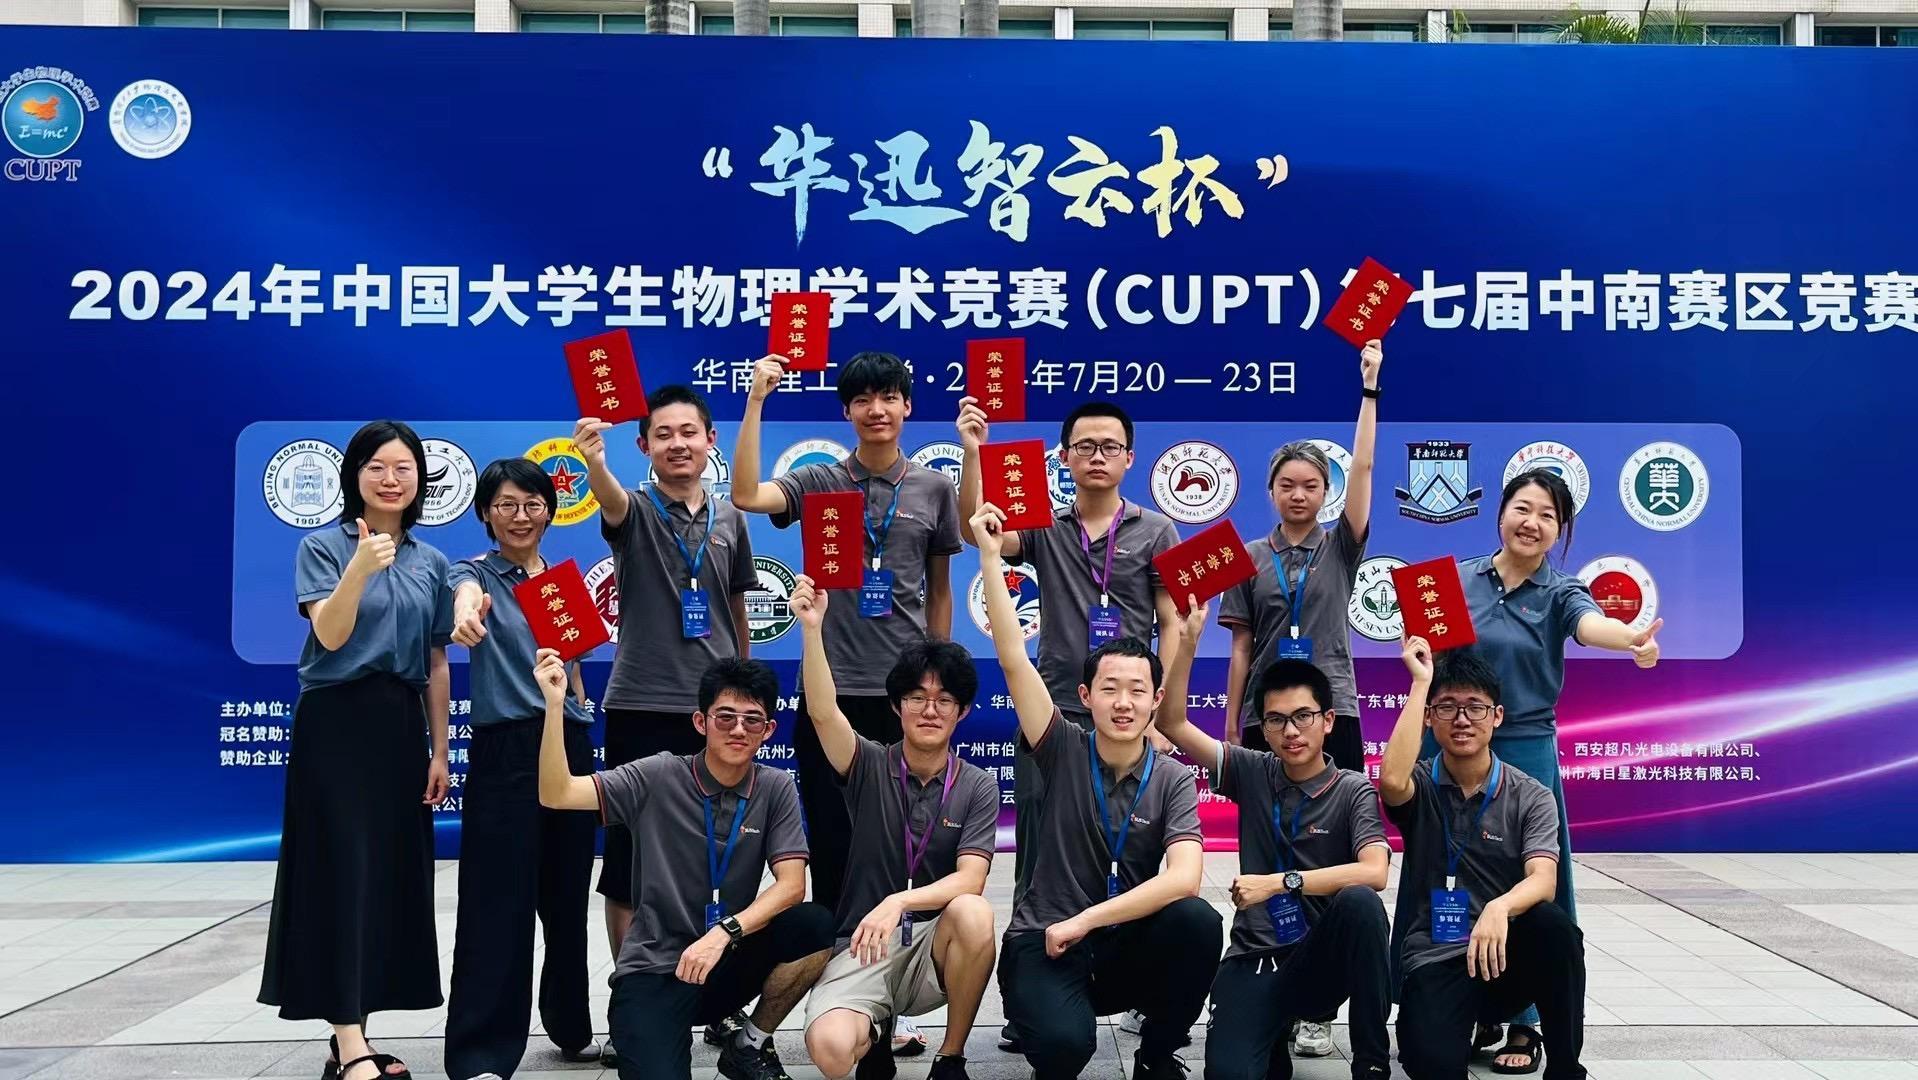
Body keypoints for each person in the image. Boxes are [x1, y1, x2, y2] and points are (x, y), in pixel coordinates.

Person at [975, 503, 1221, 1080]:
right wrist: (989, 558)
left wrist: (1087, 920)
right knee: (1065, 1049)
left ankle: (1156, 1055)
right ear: (1085, 697)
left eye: (1137, 690)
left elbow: (1184, 879)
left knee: (1197, 922)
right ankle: (1040, 1012)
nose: (1123, 702)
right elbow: (1014, 659)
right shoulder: (1059, 747)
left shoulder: (1170, 777)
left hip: (1112, 944)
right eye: (1109, 688)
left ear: (1156, 701)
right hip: (1047, 940)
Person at [730, 350, 962, 924]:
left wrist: (936, 678)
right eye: (862, 400)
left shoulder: (934, 488)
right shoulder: (819, 480)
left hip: (905, 697)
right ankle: (834, 962)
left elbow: (939, 590)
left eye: (888, 397)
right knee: (833, 838)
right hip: (827, 695)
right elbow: (746, 495)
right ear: (846, 412)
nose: (876, 409)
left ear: (907, 407)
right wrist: (756, 399)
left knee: (903, 840)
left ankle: (901, 959)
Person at [1445, 469, 1662, 1072]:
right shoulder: (1455, 580)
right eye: (1523, 508)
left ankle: (1526, 1023)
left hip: (1525, 748)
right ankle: (1465, 1004)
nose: (1532, 522)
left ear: (1560, 531)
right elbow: (1427, 655)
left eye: (1548, 515)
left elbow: (1592, 626)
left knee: (1537, 879)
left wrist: (1631, 640)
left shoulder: (1562, 591)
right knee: (1451, 874)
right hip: (1455, 741)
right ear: (1500, 514)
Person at [535, 650, 832, 1080]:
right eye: (725, 717)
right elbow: (557, 793)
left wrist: (723, 934)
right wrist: (554, 707)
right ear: (700, 722)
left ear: (768, 730)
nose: (738, 729)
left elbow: (791, 886)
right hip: (655, 969)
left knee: (814, 925)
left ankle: (748, 1045)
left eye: (752, 720)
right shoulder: (657, 775)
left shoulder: (775, 787)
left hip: (725, 960)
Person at [259, 419, 451, 1080]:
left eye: (404, 468)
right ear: (355, 476)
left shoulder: (430, 561)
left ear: (420, 479)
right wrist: (360, 571)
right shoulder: (322, 546)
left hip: (399, 726)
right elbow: (333, 635)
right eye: (377, 467)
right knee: (339, 872)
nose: (391, 479)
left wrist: (439, 751)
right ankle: (349, 1043)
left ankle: (355, 1035)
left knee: (386, 877)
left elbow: (436, 661)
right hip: (336, 723)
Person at [1218, 338, 1382, 1061]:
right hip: (1268, 717)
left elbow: (1366, 467)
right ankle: (1271, 977)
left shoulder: (1341, 547)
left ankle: (1319, 1005)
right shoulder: (1246, 557)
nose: (1298, 494)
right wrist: (1234, 722)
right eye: (1287, 483)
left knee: (1335, 851)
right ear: (1271, 490)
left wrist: (1369, 390)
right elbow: (1242, 647)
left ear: (1325, 493)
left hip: (1330, 708)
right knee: (1274, 844)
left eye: (1311, 484)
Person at [575, 384, 759, 1025]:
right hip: (641, 706)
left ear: (710, 440)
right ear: (644, 445)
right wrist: (594, 462)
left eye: (689, 432)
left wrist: (741, 687)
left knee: (716, 856)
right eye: (663, 434)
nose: (678, 444)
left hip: (718, 713)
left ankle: (717, 1003)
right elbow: (610, 499)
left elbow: (734, 607)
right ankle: (635, 1005)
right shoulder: (634, 510)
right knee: (630, 858)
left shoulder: (730, 519)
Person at [1151, 615, 1391, 1080]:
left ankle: (1371, 1063)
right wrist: (1188, 643)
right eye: (1277, 720)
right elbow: (1172, 723)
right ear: (1263, 728)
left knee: (1362, 904)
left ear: (1328, 721)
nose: (1291, 731)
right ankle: (1270, 1036)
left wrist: (1280, 883)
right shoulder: (1252, 770)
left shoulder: (1352, 789)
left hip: (1319, 961)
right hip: (1256, 955)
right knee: (1230, 1074)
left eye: (1303, 716)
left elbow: (1374, 872)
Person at [954, 398, 1180, 871]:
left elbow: (1171, 625)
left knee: (1117, 846)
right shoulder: (1044, 526)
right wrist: (973, 453)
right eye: (1085, 446)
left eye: (1110, 447)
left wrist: (1156, 716)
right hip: (1052, 708)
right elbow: (979, 534)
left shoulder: (1157, 530)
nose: (1098, 456)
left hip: (1125, 711)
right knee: (1041, 844)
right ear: (1064, 457)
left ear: (1129, 458)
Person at [790, 574, 1000, 1080]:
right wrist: (813, 630)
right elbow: (823, 712)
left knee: (973, 912)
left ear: (962, 711)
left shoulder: (977, 785)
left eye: (944, 700)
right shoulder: (866, 763)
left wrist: (899, 902)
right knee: (831, 1052)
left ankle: (950, 1058)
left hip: (930, 947)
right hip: (863, 945)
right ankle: (875, 1029)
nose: (929, 710)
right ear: (896, 706)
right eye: (916, 697)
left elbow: (971, 879)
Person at [443, 458, 602, 1080]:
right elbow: (463, 602)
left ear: (550, 512)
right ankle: (482, 1051)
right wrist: (467, 615)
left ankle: (571, 1027)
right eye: (506, 505)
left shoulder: (562, 582)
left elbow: (577, 663)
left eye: (533, 504)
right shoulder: (473, 575)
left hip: (569, 742)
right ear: (486, 513)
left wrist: (581, 711)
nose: (521, 516)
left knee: (566, 894)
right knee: (497, 901)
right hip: (506, 749)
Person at [1382, 642, 1587, 1080]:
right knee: (1429, 1064)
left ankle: (1566, 1069)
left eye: (1475, 707)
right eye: (1447, 707)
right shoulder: (1421, 784)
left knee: (1554, 928)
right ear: (1429, 717)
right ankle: (1459, 1030)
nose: (1462, 719)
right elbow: (1391, 781)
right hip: (1437, 957)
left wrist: (1500, 907)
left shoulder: (1530, 795)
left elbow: (1544, 879)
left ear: (1497, 716)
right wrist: (1421, 682)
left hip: (1502, 957)